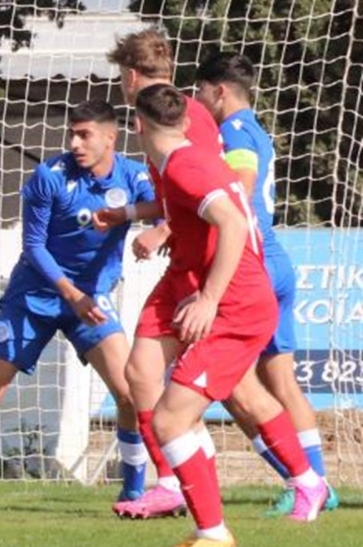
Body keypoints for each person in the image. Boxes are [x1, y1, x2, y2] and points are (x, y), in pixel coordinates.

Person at [0, 100, 154, 519]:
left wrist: (157, 231)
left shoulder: (134, 176)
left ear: (110, 137)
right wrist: (71, 294)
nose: (74, 143)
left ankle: (134, 488)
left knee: (130, 393)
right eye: (71, 134)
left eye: (84, 135)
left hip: (92, 299)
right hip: (35, 296)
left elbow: (172, 208)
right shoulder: (50, 175)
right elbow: (33, 246)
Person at [131, 83, 326, 547]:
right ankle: (201, 502)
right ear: (185, 120)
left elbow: (234, 223)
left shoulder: (185, 166)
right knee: (150, 379)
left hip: (237, 306)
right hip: (196, 284)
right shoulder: (180, 161)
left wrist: (209, 299)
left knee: (173, 419)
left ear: (137, 124)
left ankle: (217, 529)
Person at [193, 51, 336, 514]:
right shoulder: (254, 127)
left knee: (232, 386)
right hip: (276, 261)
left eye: (200, 91)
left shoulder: (233, 130)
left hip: (252, 265)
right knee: (281, 382)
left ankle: (302, 481)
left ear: (219, 91)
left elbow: (242, 184)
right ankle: (317, 483)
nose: (197, 100)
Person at [96, 28, 226, 518]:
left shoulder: (185, 116)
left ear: (130, 76)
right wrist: (131, 215)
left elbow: (213, 191)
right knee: (141, 373)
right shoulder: (165, 115)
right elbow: (179, 194)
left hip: (207, 268)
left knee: (245, 394)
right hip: (185, 264)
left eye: (120, 77)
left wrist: (164, 229)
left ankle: (305, 481)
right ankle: (175, 482)